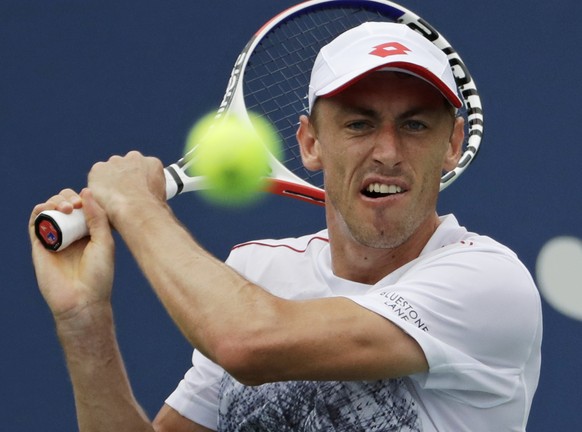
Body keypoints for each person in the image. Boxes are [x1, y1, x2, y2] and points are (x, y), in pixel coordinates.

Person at [29, 21, 542, 432]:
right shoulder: (256, 272)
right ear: (310, 143)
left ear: (452, 144)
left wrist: (137, 206)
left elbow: (246, 342)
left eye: (414, 125)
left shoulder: (489, 283)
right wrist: (84, 320)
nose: (387, 152)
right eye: (359, 124)